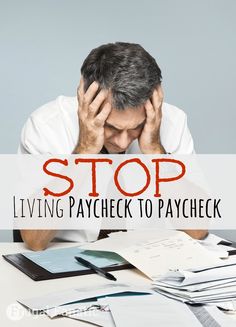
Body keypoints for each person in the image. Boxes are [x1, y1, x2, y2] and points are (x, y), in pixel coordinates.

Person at [18, 42, 207, 250]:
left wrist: (155, 152)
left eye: (136, 127)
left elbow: (199, 229)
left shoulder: (172, 122)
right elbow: (34, 239)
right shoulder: (45, 126)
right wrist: (84, 151)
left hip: (145, 262)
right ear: (86, 97)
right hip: (67, 260)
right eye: (111, 127)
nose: (123, 142)